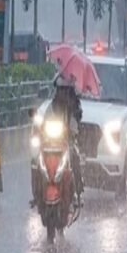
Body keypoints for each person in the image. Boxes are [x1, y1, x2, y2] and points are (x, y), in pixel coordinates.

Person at [50, 74, 85, 206]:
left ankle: (77, 191)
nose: (62, 90)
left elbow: (78, 114)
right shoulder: (55, 98)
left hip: (68, 136)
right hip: (54, 136)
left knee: (73, 155)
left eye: (65, 88)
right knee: (37, 158)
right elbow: (51, 110)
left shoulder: (74, 99)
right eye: (60, 88)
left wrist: (73, 123)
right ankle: (38, 192)